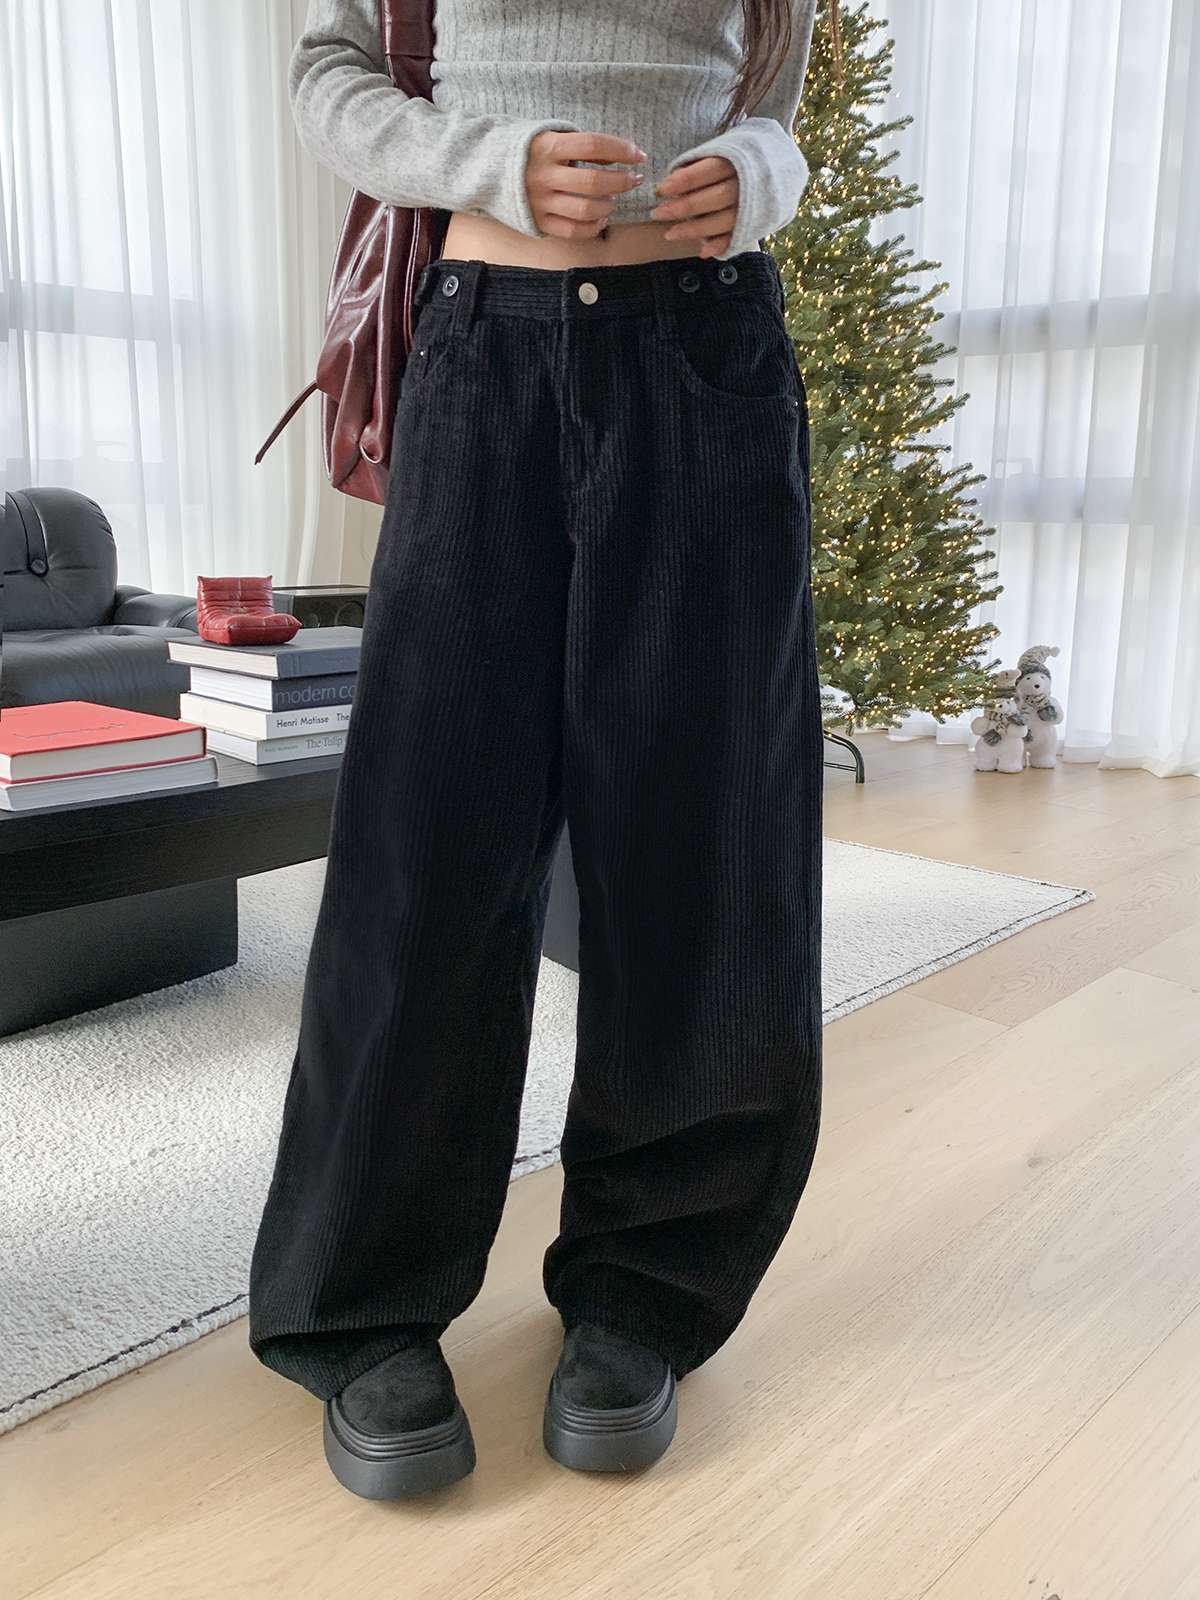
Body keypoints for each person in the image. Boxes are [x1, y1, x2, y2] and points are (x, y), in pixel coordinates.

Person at [248, 0, 825, 1500]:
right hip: (483, 346)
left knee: (701, 843)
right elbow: (328, 74)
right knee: (425, 843)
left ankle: (646, 1290)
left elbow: (776, 103)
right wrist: (489, 163)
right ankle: (363, 1299)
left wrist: (758, 177)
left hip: (706, 355)